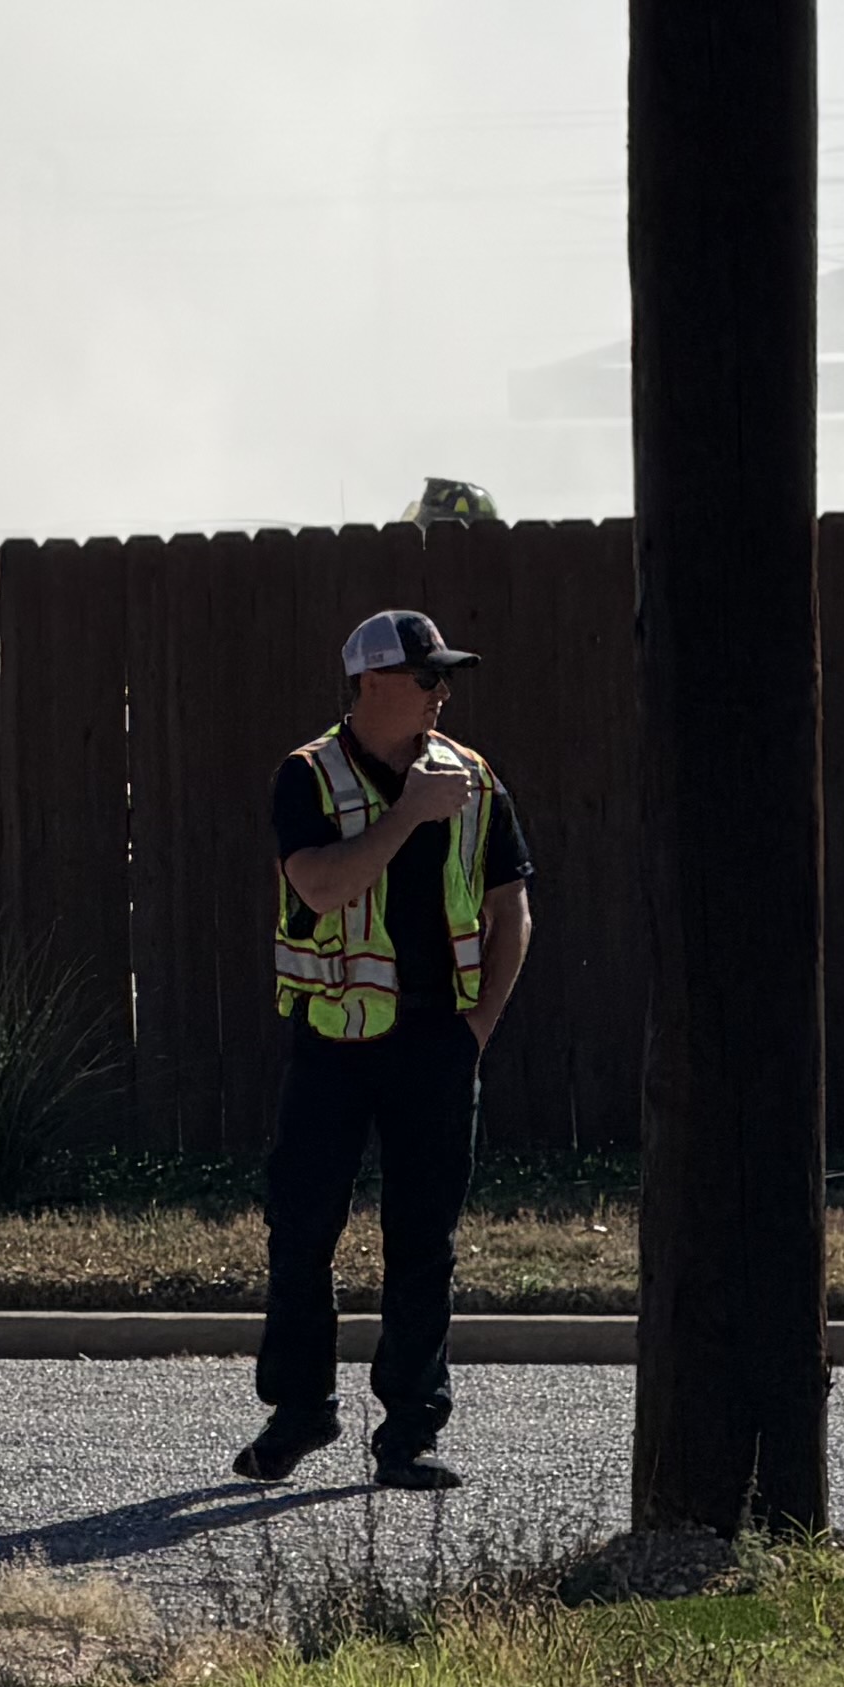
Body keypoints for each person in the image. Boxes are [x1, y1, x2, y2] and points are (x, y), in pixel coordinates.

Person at [236, 608, 534, 1494]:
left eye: (447, 678)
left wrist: (479, 1025)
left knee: (424, 1243)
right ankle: (299, 1414)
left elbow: (511, 905)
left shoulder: (473, 778)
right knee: (300, 1234)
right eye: (428, 677)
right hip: (333, 1043)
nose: (443, 694)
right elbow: (320, 887)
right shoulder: (310, 777)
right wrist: (405, 816)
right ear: (372, 686)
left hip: (437, 1040)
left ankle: (407, 1433)